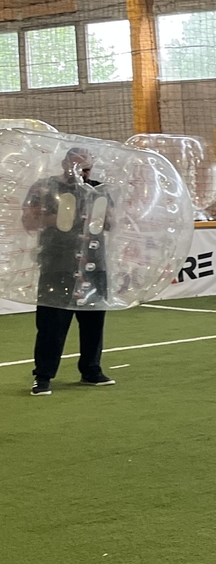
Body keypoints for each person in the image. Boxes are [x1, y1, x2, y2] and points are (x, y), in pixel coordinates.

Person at [22, 146, 115, 396]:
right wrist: (62, 218)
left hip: (93, 264)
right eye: (79, 167)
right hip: (56, 265)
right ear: (65, 164)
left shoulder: (99, 189)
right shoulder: (45, 188)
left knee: (93, 322)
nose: (84, 173)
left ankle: (91, 370)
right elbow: (28, 221)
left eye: (87, 168)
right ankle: (43, 376)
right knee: (51, 324)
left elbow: (111, 222)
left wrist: (100, 217)